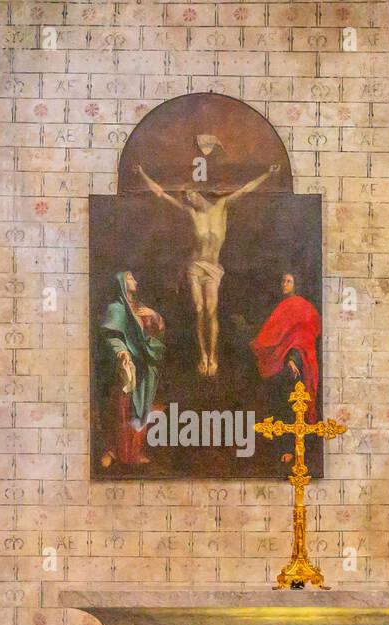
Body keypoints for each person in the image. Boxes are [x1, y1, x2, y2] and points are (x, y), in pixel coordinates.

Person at [135, 162, 279, 378]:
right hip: (195, 267)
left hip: (213, 268)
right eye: (186, 197)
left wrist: (268, 173)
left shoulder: (221, 206)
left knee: (211, 311)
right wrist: (143, 173)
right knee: (200, 309)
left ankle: (214, 356)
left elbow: (246, 189)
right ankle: (203, 356)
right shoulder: (191, 213)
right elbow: (161, 194)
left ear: (199, 193)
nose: (189, 199)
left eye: (190, 194)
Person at [99, 271, 166, 469]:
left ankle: (134, 452)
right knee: (122, 410)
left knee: (141, 410)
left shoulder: (140, 308)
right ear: (121, 283)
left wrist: (155, 316)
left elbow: (156, 332)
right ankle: (113, 451)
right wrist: (121, 352)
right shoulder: (116, 309)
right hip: (127, 367)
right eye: (130, 278)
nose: (135, 280)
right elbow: (112, 336)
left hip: (145, 367)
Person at [249, 273, 322, 422]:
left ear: (296, 285)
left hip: (296, 363)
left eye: (289, 281)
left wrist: (293, 358)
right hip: (280, 363)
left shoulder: (301, 306)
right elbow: (271, 334)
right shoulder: (281, 306)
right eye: (283, 281)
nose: (285, 284)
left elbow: (303, 336)